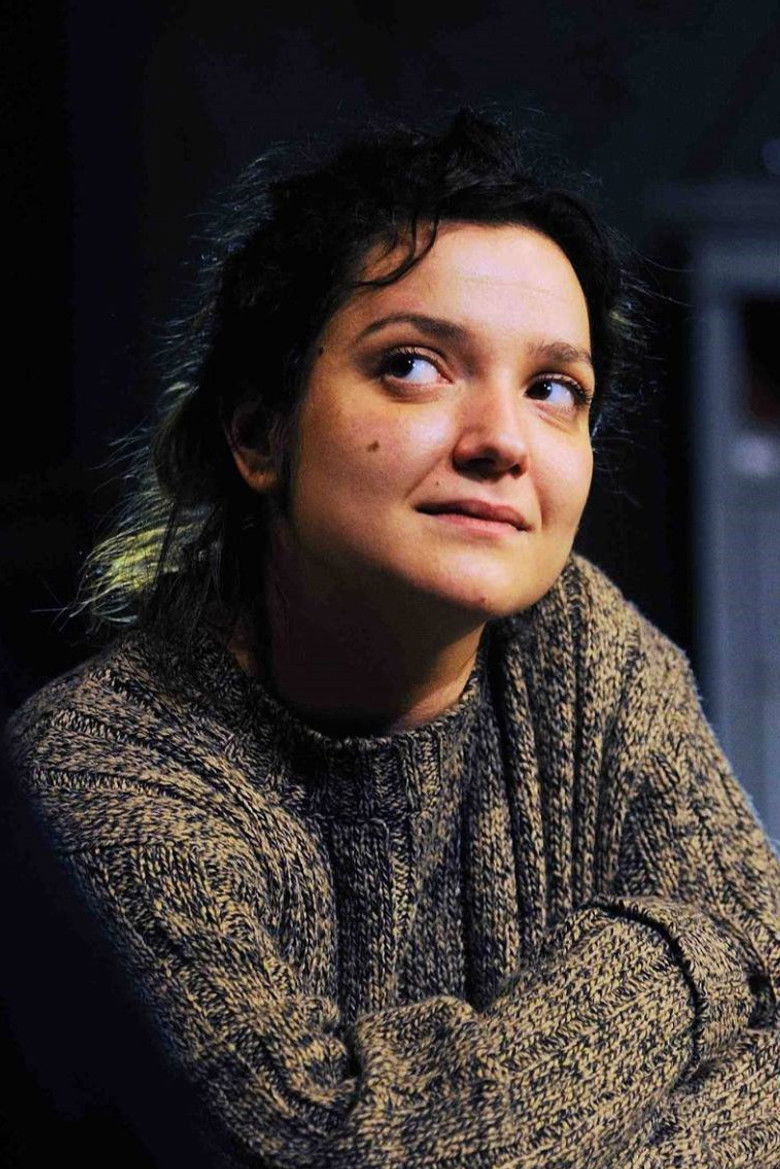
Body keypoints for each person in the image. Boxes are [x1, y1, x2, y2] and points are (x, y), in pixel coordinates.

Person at [6, 110, 780, 1168]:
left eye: (554, 389)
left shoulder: (582, 652)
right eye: (414, 365)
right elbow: (317, 1148)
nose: (503, 441)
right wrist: (687, 949)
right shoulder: (103, 772)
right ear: (257, 430)